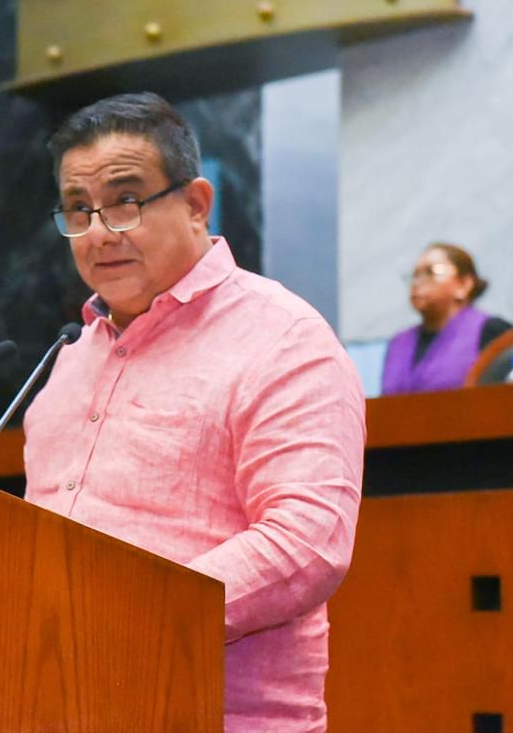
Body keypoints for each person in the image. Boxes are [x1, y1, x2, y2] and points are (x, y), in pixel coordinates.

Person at [22, 92, 366, 732]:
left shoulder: (282, 337)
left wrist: (126, 616)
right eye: (78, 209)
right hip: (54, 707)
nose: (99, 233)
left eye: (126, 200)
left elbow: (307, 541)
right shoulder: (70, 358)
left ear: (196, 204)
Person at [380, 243, 513, 395]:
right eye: (415, 275)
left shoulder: (491, 331)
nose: (417, 282)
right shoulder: (398, 343)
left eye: (431, 272)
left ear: (464, 285)